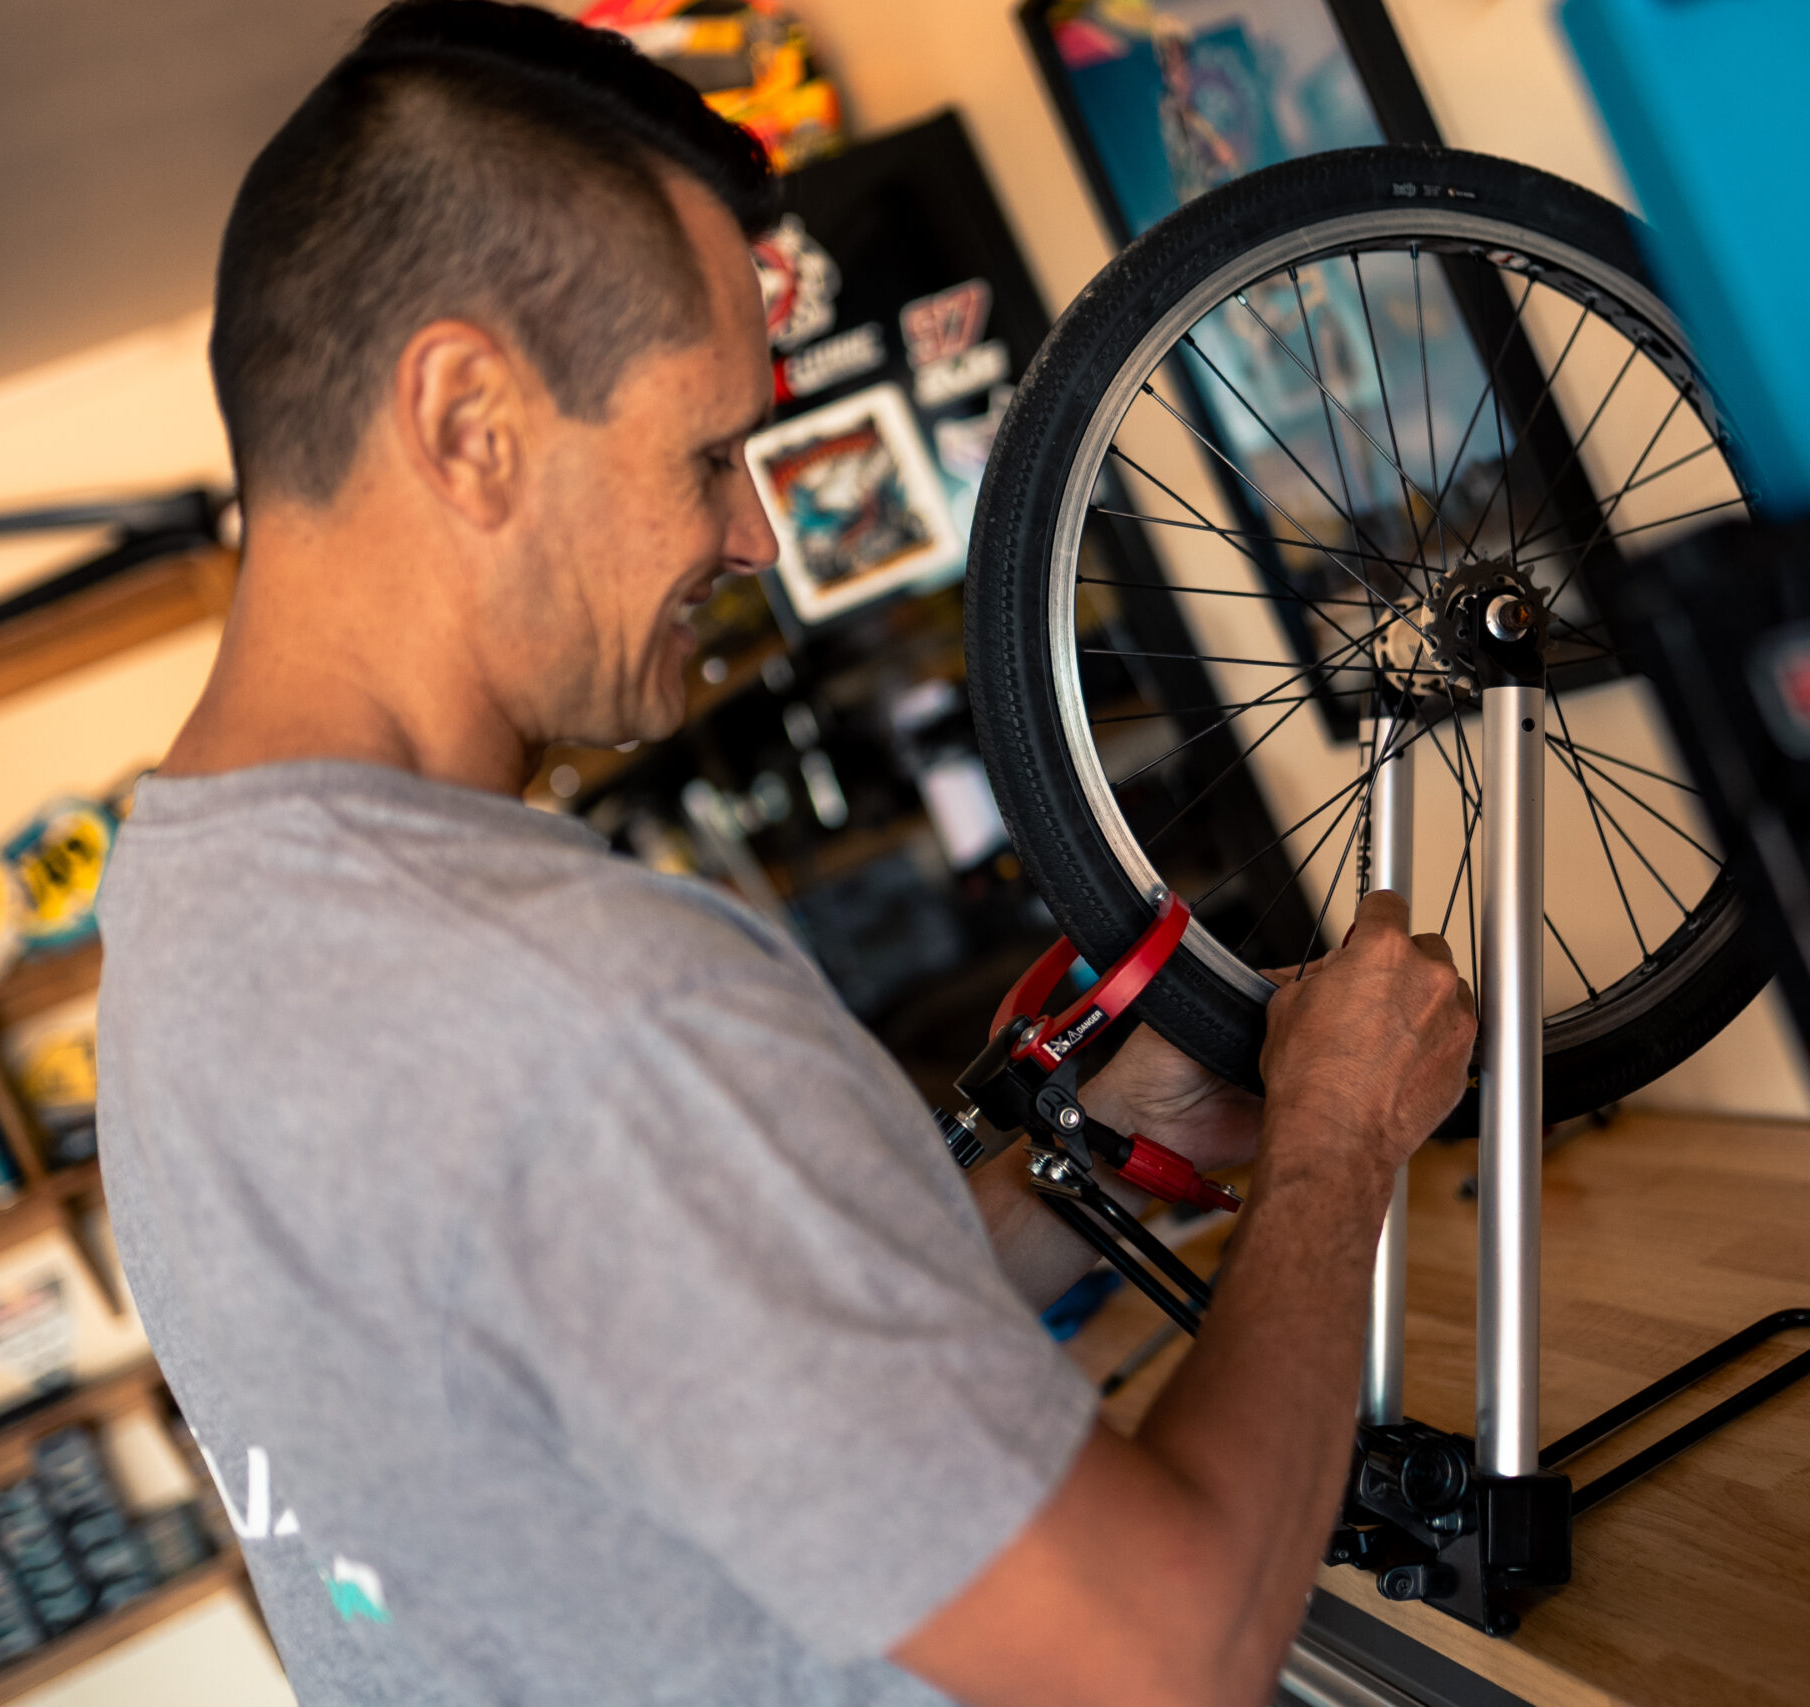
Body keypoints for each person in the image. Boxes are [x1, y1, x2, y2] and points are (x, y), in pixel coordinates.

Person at [95, 5, 1476, 1704]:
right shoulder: (580, 1007)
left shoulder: (186, 932)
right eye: (707, 450)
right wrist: (1341, 1140)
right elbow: (1162, 1654)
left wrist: (1109, 1156)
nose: (754, 533)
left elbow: (694, 1374)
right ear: (468, 421)